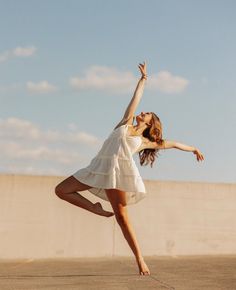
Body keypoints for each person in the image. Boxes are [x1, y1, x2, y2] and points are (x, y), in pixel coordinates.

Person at [55, 62, 204, 275]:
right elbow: (135, 99)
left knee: (122, 217)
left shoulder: (145, 141)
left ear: (150, 123)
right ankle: (94, 208)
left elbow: (172, 143)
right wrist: (143, 80)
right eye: (143, 112)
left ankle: (140, 259)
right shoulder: (124, 124)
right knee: (61, 190)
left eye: (147, 114)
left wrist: (193, 149)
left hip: (117, 174)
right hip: (97, 168)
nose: (142, 113)